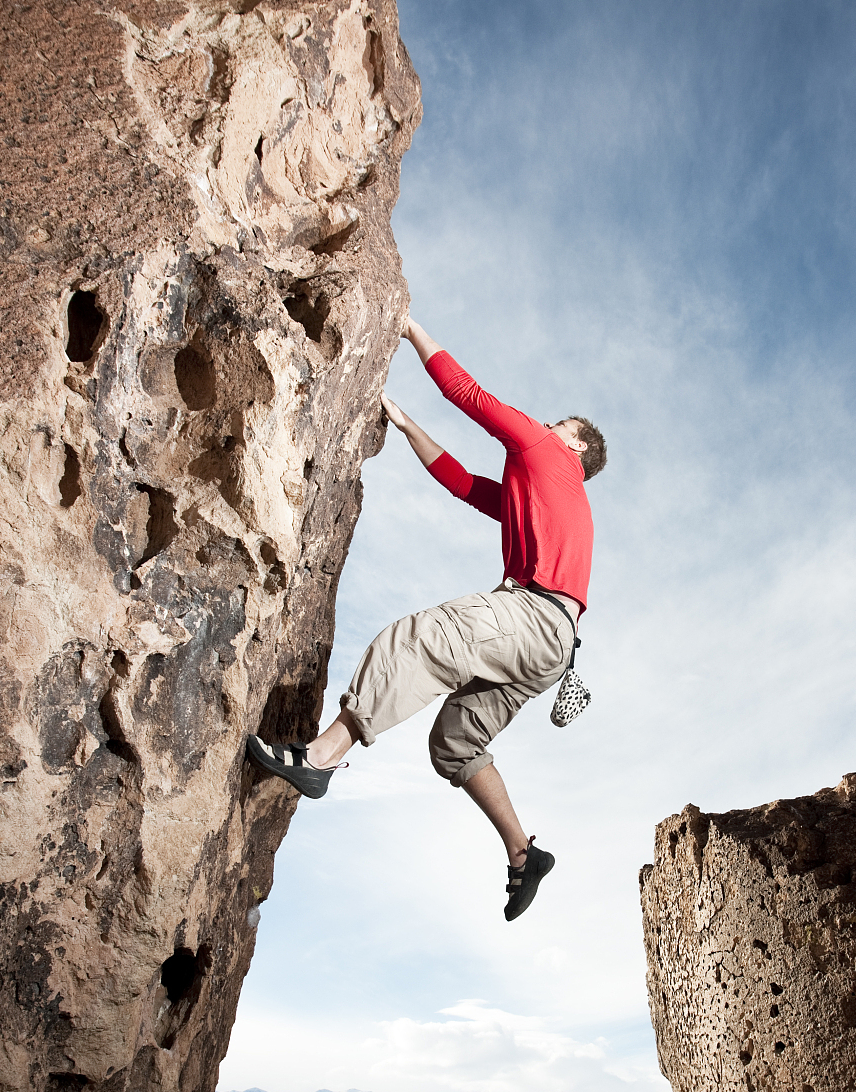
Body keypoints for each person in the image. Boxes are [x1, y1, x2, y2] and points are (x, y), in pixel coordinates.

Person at [245, 317, 606, 921]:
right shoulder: (538, 492)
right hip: (551, 645)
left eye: (557, 426)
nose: (544, 426)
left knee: (418, 639)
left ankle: (320, 759)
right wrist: (407, 425)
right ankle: (524, 854)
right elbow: (463, 484)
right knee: (455, 744)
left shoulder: (547, 455)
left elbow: (469, 395)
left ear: (575, 447)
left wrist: (409, 329)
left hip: (535, 616)